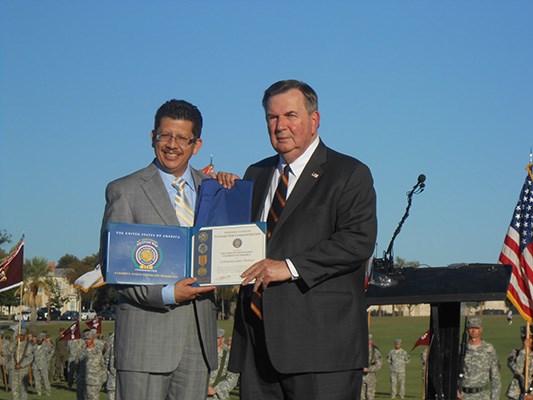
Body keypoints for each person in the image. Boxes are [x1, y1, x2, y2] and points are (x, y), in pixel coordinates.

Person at [219, 79, 377, 399]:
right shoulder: (255, 174)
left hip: (321, 349)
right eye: (272, 118)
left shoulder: (349, 173)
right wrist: (220, 197)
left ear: (314, 120)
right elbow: (240, 243)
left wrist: (289, 267)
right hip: (257, 345)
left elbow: (357, 241)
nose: (280, 126)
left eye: (290, 115)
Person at [99, 99, 218, 400]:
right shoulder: (124, 190)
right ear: (152, 136)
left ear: (197, 144)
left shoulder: (214, 189)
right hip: (145, 343)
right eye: (165, 135)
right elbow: (115, 271)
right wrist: (167, 293)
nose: (172, 145)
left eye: (182, 138)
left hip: (197, 344)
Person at [457, 316, 501, 400]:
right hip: (463, 396)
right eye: (471, 328)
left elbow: (495, 377)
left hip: (482, 395)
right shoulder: (461, 349)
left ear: (481, 329)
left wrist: (495, 398)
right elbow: (453, 371)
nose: (473, 331)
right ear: (467, 329)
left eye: (476, 328)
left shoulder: (488, 349)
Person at [207, 328, 239, 400]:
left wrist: (216, 390)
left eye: (217, 338)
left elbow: (233, 377)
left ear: (223, 339)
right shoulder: (202, 354)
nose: (214, 340)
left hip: (217, 397)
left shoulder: (229, 356)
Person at [3, 328, 33, 400]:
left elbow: (30, 358)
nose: (20, 337)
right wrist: (15, 341)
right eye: (19, 335)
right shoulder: (15, 343)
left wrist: (21, 365)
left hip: (23, 370)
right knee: (14, 389)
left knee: (23, 389)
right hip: (13, 369)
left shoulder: (28, 346)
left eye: (21, 335)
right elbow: (8, 350)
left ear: (24, 336)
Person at [76, 329, 107, 400]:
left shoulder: (98, 352)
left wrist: (102, 380)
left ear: (93, 339)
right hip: (82, 382)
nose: (87, 341)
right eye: (85, 339)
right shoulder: (81, 352)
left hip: (94, 383)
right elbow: (77, 366)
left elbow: (103, 366)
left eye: (89, 339)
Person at [506, 325, 533, 399]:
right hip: (517, 395)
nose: (527, 341)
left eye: (530, 338)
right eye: (525, 338)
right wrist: (524, 351)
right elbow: (518, 370)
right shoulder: (514, 354)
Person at [32, 331, 54, 396]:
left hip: (44, 365)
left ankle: (48, 392)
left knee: (45, 379)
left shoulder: (47, 345)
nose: (38, 341)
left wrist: (48, 359)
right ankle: (38, 392)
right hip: (35, 365)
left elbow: (52, 351)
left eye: (39, 340)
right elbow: (31, 354)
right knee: (36, 379)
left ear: (42, 340)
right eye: (37, 340)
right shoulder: (34, 346)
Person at [361, 334, 382, 400]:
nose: (368, 341)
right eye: (367, 340)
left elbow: (379, 364)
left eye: (370, 340)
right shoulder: (360, 349)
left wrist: (368, 369)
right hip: (360, 377)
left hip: (371, 377)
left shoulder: (375, 350)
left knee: (370, 397)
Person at [103, 332, 116, 400]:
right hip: (113, 375)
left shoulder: (112, 337)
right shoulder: (112, 337)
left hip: (114, 374)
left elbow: (106, 356)